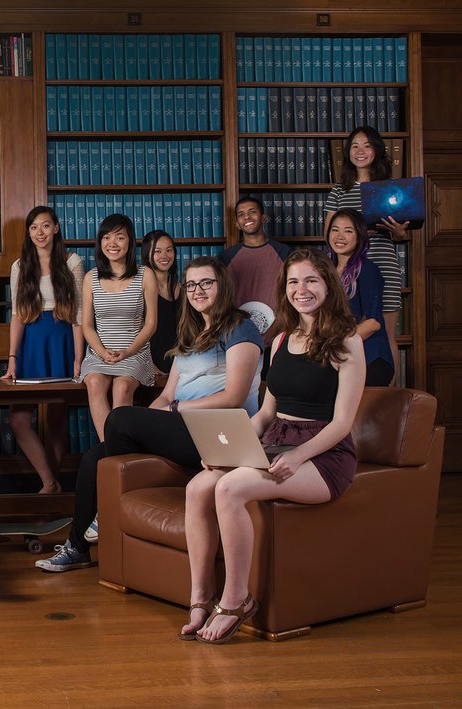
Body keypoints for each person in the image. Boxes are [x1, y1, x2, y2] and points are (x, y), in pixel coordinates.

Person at [183, 248, 365, 644]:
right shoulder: (281, 339)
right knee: (198, 485)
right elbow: (265, 414)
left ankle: (236, 599)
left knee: (231, 488)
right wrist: (226, 448)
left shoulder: (347, 340)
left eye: (311, 280)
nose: (302, 289)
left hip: (324, 456)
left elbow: (343, 422)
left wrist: (300, 455)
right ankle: (200, 597)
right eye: (294, 281)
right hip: (275, 442)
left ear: (328, 286)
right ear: (285, 289)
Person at [36, 257, 262, 570]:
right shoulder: (192, 334)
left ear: (221, 285)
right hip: (183, 425)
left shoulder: (241, 327)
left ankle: (104, 512)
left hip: (220, 432)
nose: (197, 290)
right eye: (192, 284)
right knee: (93, 459)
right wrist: (162, 414)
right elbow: (167, 394)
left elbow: (234, 396)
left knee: (119, 418)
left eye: (206, 283)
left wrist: (176, 409)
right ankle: (77, 548)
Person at [0, 206, 84, 493]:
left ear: (56, 228)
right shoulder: (19, 266)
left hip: (61, 338)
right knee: (19, 418)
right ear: (29, 232)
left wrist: (78, 357)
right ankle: (50, 481)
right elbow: (17, 315)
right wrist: (12, 359)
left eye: (45, 226)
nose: (40, 233)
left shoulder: (72, 261)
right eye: (34, 227)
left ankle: (50, 489)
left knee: (58, 416)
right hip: (32, 342)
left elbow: (79, 315)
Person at [324, 125, 405, 382]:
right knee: (352, 327)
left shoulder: (390, 188)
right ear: (348, 152)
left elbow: (402, 233)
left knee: (387, 334)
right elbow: (329, 232)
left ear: (377, 151)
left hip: (382, 261)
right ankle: (352, 387)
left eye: (367, 145)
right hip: (348, 266)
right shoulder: (339, 190)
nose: (360, 151)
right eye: (355, 146)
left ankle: (389, 397)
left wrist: (399, 232)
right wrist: (356, 233)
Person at [77, 214, 156, 440]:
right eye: (107, 237)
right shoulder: (91, 277)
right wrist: (102, 352)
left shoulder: (145, 275)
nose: (112, 244)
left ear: (130, 241)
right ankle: (108, 447)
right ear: (100, 242)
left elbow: (150, 324)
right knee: (94, 383)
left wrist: (127, 352)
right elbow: (88, 326)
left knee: (121, 388)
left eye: (120, 238)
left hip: (135, 352)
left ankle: (122, 448)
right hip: (99, 353)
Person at [325, 209, 395, 386]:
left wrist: (334, 347)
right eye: (335, 229)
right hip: (340, 355)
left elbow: (373, 324)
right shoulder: (326, 271)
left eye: (348, 231)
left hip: (369, 357)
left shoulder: (367, 270)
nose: (340, 236)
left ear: (359, 237)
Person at [218, 196, 292, 317]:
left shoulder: (284, 252)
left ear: (263, 218)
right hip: (238, 326)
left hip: (278, 325)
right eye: (241, 214)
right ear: (237, 224)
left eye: (252, 211)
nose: (247, 217)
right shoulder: (226, 257)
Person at [140, 229, 181, 375]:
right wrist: (149, 365)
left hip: (180, 364)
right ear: (147, 255)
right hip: (151, 364)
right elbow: (135, 332)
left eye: (169, 250)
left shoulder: (183, 288)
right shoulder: (140, 289)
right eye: (158, 251)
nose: (165, 256)